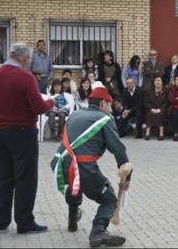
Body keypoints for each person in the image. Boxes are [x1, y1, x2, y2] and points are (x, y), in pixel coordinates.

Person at [50, 84, 132, 247]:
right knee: (109, 198)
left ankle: (73, 217)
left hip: (59, 164)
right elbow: (118, 149)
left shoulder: (75, 115)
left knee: (75, 185)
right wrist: (126, 175)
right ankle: (98, 231)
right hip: (83, 166)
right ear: (103, 103)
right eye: (109, 105)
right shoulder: (104, 119)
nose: (110, 109)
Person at [0, 43, 55, 234]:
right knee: (25, 178)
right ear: (25, 58)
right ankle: (24, 221)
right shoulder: (25, 77)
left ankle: (1, 219)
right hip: (23, 132)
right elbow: (38, 107)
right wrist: (52, 101)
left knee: (4, 176)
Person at [144, 76, 169, 140]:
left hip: (162, 109)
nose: (157, 82)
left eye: (159, 80)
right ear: (154, 82)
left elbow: (166, 103)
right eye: (156, 80)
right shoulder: (149, 90)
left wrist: (159, 109)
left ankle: (161, 133)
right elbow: (146, 102)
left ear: (162, 82)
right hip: (151, 108)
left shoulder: (166, 91)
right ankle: (147, 133)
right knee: (149, 114)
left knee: (160, 114)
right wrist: (151, 109)